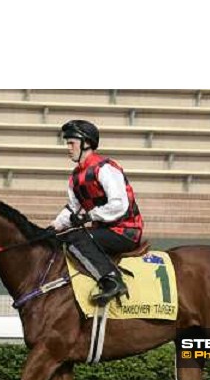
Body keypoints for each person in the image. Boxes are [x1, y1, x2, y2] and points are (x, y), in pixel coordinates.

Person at [50, 120, 144, 306]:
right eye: (67, 143)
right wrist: (52, 228)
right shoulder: (75, 177)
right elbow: (72, 209)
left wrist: (89, 216)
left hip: (126, 232)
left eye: (71, 143)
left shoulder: (105, 169)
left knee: (76, 238)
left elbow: (119, 204)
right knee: (61, 238)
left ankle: (112, 280)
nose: (68, 148)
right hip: (102, 232)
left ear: (86, 143)